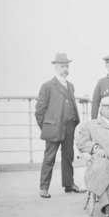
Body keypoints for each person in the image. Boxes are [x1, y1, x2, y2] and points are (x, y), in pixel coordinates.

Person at [35, 53, 83, 198]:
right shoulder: (47, 86)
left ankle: (69, 184)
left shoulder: (70, 86)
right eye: (62, 66)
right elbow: (39, 111)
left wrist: (74, 121)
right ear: (55, 67)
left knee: (68, 156)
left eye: (67, 66)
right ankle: (44, 188)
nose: (65, 69)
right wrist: (46, 127)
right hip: (53, 128)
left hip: (69, 127)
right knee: (49, 157)